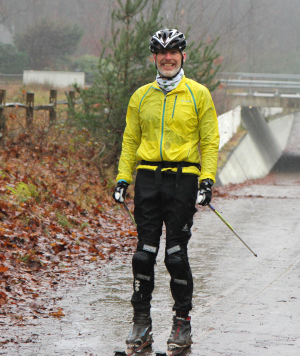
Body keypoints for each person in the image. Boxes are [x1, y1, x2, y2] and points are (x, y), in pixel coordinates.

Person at [112, 28, 219, 354]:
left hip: (182, 180)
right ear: (154, 58)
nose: (167, 57)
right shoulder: (141, 96)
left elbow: (210, 140)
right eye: (161, 53)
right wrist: (122, 178)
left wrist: (207, 180)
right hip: (147, 180)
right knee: (143, 254)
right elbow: (130, 140)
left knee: (175, 255)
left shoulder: (198, 94)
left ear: (183, 55)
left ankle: (181, 325)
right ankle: (141, 323)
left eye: (173, 52)